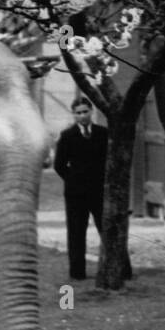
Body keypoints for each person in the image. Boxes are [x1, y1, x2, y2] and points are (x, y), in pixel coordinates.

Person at [54, 98, 108, 279]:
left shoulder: (103, 133)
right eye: (78, 113)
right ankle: (77, 273)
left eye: (85, 111)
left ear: (91, 111)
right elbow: (59, 165)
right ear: (74, 115)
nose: (82, 116)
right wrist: (73, 180)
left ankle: (121, 270)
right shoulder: (67, 135)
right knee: (76, 232)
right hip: (76, 194)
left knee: (108, 230)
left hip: (100, 190)